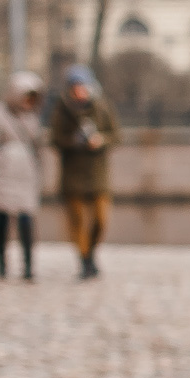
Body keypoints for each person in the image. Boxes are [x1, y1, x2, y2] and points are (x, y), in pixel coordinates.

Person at [0, 72, 46, 279]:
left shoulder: (33, 115)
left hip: (26, 175)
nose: (28, 102)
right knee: (0, 219)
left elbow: (38, 148)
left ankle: (29, 266)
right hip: (2, 174)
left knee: (26, 220)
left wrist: (43, 176)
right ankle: (2, 263)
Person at [48, 65, 120, 278]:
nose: (79, 91)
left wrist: (101, 140)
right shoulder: (62, 110)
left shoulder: (102, 108)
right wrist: (74, 142)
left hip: (98, 173)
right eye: (75, 87)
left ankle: (91, 252)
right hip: (73, 174)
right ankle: (84, 259)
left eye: (82, 86)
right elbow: (55, 139)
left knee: (101, 218)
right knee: (77, 220)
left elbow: (116, 134)